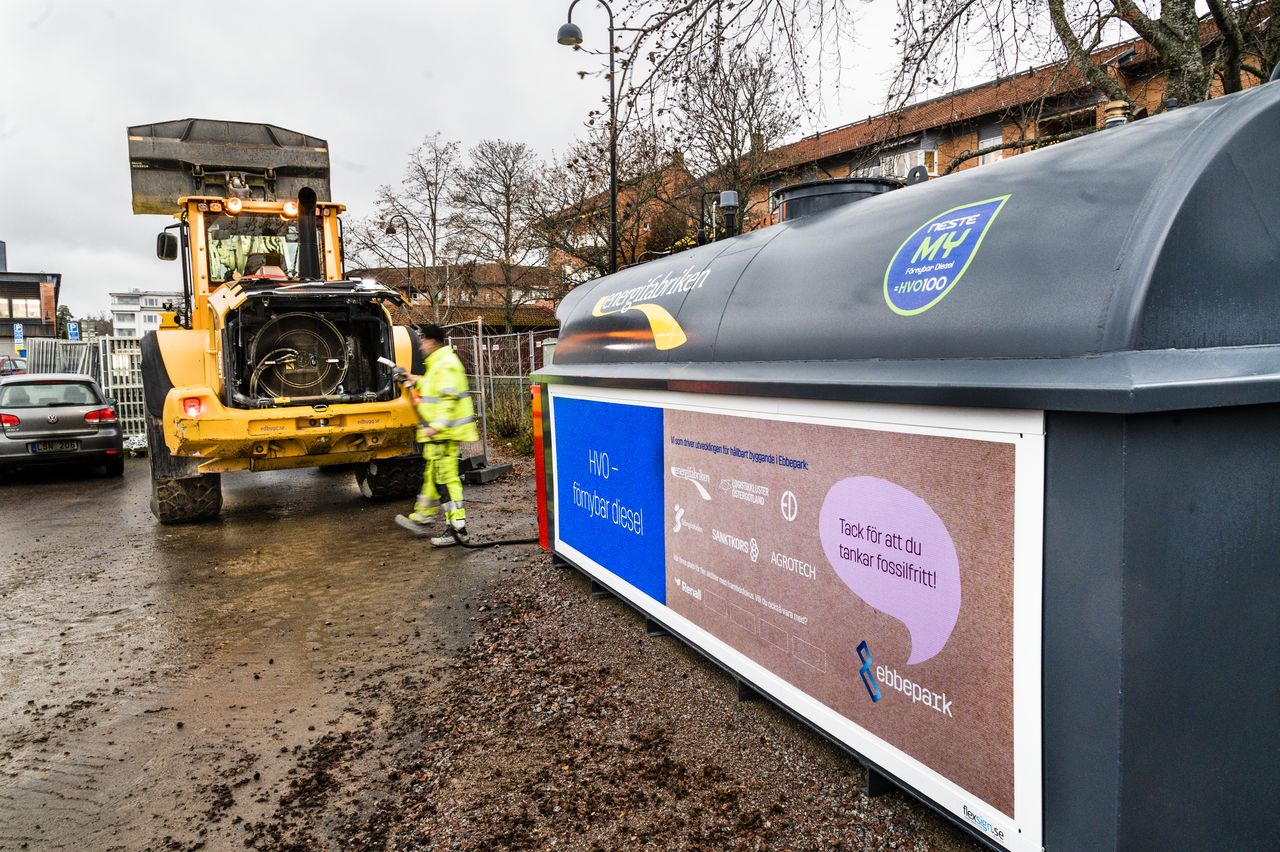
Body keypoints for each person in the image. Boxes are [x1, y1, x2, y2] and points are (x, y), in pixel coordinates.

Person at [394, 324, 480, 546]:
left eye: (423, 340)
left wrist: (437, 426)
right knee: (434, 476)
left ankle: (458, 530)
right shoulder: (438, 364)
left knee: (447, 480)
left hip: (443, 433)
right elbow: (433, 387)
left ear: (432, 341)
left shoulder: (445, 364)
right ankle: (423, 517)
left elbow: (449, 399)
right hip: (439, 434)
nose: (420, 345)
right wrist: (411, 378)